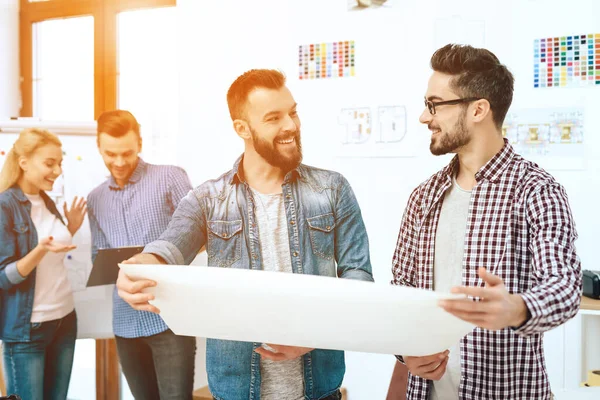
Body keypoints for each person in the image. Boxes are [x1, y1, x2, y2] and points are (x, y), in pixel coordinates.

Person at [116, 69, 373, 400]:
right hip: (236, 392)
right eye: (274, 118)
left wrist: (316, 333)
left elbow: (359, 279)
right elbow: (168, 247)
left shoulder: (332, 189)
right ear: (242, 129)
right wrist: (138, 269)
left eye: (293, 112)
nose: (291, 126)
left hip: (319, 391)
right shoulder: (209, 199)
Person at [391, 44, 581, 400]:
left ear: (478, 109)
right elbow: (400, 295)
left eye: (434, 105)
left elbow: (565, 287)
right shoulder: (422, 198)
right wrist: (406, 352)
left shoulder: (537, 191)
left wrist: (519, 308)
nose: (423, 117)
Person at [87, 110, 196, 400]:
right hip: (124, 323)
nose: (119, 162)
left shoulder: (170, 177)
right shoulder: (95, 198)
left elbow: (196, 236)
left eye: (127, 152)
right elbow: (97, 256)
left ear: (140, 143)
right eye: (110, 154)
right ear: (98, 147)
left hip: (170, 318)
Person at [0, 128, 87, 400]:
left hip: (64, 320)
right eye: (49, 163)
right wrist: (39, 251)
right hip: (28, 331)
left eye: (60, 163)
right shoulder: (5, 206)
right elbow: (3, 278)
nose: (57, 170)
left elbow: (53, 251)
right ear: (23, 162)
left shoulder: (46, 200)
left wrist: (70, 229)